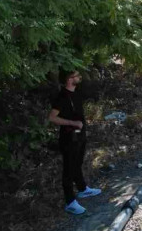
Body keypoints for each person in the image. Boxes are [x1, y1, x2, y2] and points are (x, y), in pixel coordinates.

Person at [48, 70, 102, 215]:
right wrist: (72, 123)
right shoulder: (62, 96)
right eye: (77, 76)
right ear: (69, 79)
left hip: (80, 136)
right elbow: (52, 117)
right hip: (68, 139)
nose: (80, 77)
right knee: (68, 169)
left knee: (77, 164)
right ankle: (70, 202)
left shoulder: (76, 93)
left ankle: (83, 189)